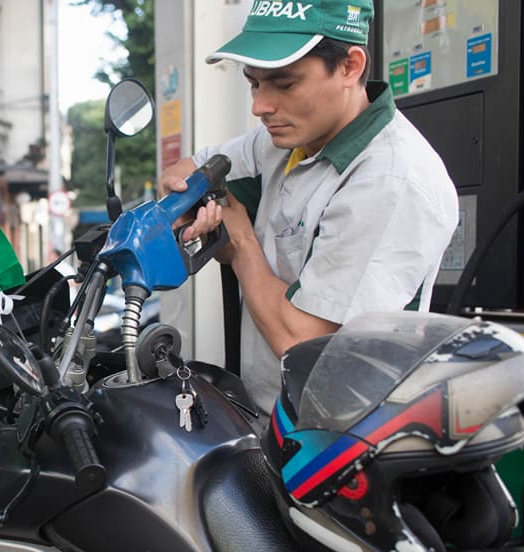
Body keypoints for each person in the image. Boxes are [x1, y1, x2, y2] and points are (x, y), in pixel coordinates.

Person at [159, 0, 458, 416]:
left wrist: (241, 243)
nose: (260, 106)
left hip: (343, 444)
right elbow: (184, 169)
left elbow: (303, 342)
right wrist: (186, 204)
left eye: (284, 84)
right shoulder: (285, 141)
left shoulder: (390, 179)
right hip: (274, 426)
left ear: (350, 67)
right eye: (253, 83)